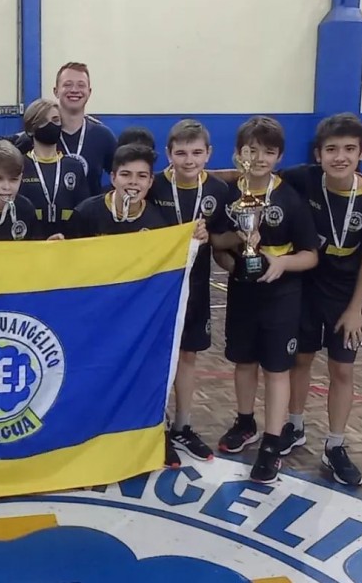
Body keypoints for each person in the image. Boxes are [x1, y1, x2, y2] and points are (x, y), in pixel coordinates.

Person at [278, 113, 362, 486]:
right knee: (301, 358)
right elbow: (255, 177)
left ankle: (336, 444)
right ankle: (294, 425)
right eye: (331, 149)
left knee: (342, 369)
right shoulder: (303, 179)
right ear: (318, 154)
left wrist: (356, 307)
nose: (339, 156)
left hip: (344, 294)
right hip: (307, 285)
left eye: (348, 149)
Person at [214, 116, 319, 484]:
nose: (258, 158)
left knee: (277, 369)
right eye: (251, 150)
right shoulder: (229, 196)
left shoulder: (289, 197)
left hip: (282, 296)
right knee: (244, 363)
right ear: (238, 153)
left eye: (268, 151)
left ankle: (273, 443)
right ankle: (245, 423)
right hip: (243, 293)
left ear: (279, 156)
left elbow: (311, 254)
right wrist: (230, 260)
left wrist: (282, 262)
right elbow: (218, 246)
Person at [148, 120, 233, 467]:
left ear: (208, 154)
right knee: (155, 359)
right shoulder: (153, 186)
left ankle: (182, 425)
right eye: (180, 152)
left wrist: (211, 237)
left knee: (187, 357)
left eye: (197, 152)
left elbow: (227, 238)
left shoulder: (217, 190)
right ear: (168, 154)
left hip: (195, 288)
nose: (188, 160)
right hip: (155, 289)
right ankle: (156, 428)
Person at [70, 143, 208, 238]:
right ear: (113, 178)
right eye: (125, 174)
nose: (133, 182)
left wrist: (194, 237)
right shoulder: (85, 213)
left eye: (142, 176)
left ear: (150, 181)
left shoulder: (158, 222)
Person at [20, 99, 89, 238]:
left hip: (68, 246)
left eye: (56, 120)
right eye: (43, 121)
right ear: (30, 129)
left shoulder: (74, 167)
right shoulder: (19, 165)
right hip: (30, 247)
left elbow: (84, 212)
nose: (51, 125)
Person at [53, 62, 117, 196]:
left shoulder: (103, 136)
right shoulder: (42, 133)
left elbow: (122, 174)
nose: (74, 90)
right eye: (67, 84)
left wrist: (103, 198)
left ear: (89, 92)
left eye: (81, 85)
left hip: (90, 216)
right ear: (56, 91)